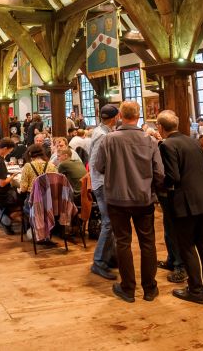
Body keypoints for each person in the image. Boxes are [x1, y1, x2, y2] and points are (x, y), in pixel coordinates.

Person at [92, 101, 164, 303]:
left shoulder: (109, 140)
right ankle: (149, 288)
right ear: (139, 116)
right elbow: (159, 172)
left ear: (120, 116)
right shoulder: (149, 141)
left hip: (117, 198)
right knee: (147, 243)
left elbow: (99, 167)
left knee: (123, 243)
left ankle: (128, 288)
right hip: (143, 199)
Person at [157, 110, 203, 305]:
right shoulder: (194, 141)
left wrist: (159, 185)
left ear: (160, 127)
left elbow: (173, 177)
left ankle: (195, 290)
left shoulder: (167, 145)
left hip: (184, 203)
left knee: (186, 247)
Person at [88, 104, 119, 281]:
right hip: (102, 184)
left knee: (112, 222)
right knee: (108, 223)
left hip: (101, 183)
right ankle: (98, 261)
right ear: (115, 118)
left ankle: (110, 257)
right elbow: (96, 163)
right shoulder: (102, 135)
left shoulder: (101, 131)